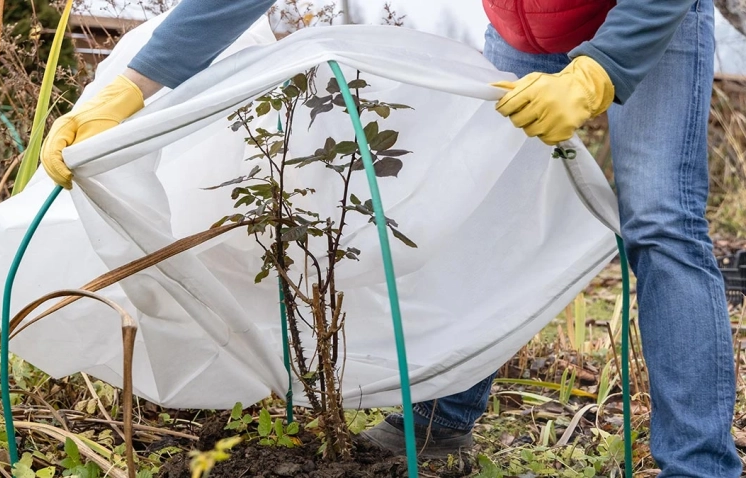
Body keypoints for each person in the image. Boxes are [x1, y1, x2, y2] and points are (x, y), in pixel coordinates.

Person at [40, 1, 741, 475]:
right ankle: (441, 422)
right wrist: (133, 86)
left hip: (645, 18)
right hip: (523, 31)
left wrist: (602, 71)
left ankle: (698, 462)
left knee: (660, 223)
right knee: (481, 212)